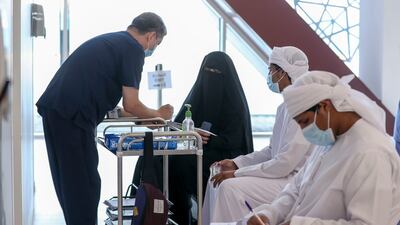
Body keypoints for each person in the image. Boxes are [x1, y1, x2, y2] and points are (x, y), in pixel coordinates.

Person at [36, 12, 173, 225]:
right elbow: (132, 103)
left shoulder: (113, 41)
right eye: (158, 42)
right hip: (73, 116)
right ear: (151, 36)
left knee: (69, 183)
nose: (153, 48)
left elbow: (121, 107)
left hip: (56, 110)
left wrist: (142, 119)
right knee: (85, 185)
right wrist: (159, 114)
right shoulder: (133, 50)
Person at [245, 71, 400, 225]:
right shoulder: (329, 139)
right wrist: (269, 214)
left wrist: (298, 224)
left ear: (325, 106)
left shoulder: (370, 152)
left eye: (304, 122)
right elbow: (296, 189)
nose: (304, 130)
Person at [202, 46, 314, 224]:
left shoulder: (303, 106)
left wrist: (237, 174)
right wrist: (236, 163)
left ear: (284, 72)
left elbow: (285, 164)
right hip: (280, 175)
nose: (269, 75)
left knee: (229, 188)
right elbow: (271, 151)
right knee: (215, 178)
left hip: (294, 181)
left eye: (271, 70)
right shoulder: (284, 107)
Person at [166, 51, 254, 225]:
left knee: (182, 163)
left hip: (226, 154)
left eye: (216, 73)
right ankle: (157, 213)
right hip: (196, 150)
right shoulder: (197, 96)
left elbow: (235, 140)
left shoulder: (235, 104)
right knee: (158, 158)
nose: (211, 77)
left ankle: (185, 217)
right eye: (208, 71)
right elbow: (178, 125)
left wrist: (210, 140)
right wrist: (191, 132)